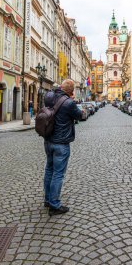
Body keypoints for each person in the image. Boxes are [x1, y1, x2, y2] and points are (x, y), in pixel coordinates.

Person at [43, 79, 82, 216]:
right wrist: (74, 100)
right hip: (61, 143)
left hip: (48, 141)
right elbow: (80, 115)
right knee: (58, 173)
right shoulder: (69, 102)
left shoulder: (51, 98)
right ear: (71, 91)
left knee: (49, 170)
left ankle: (47, 199)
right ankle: (54, 205)